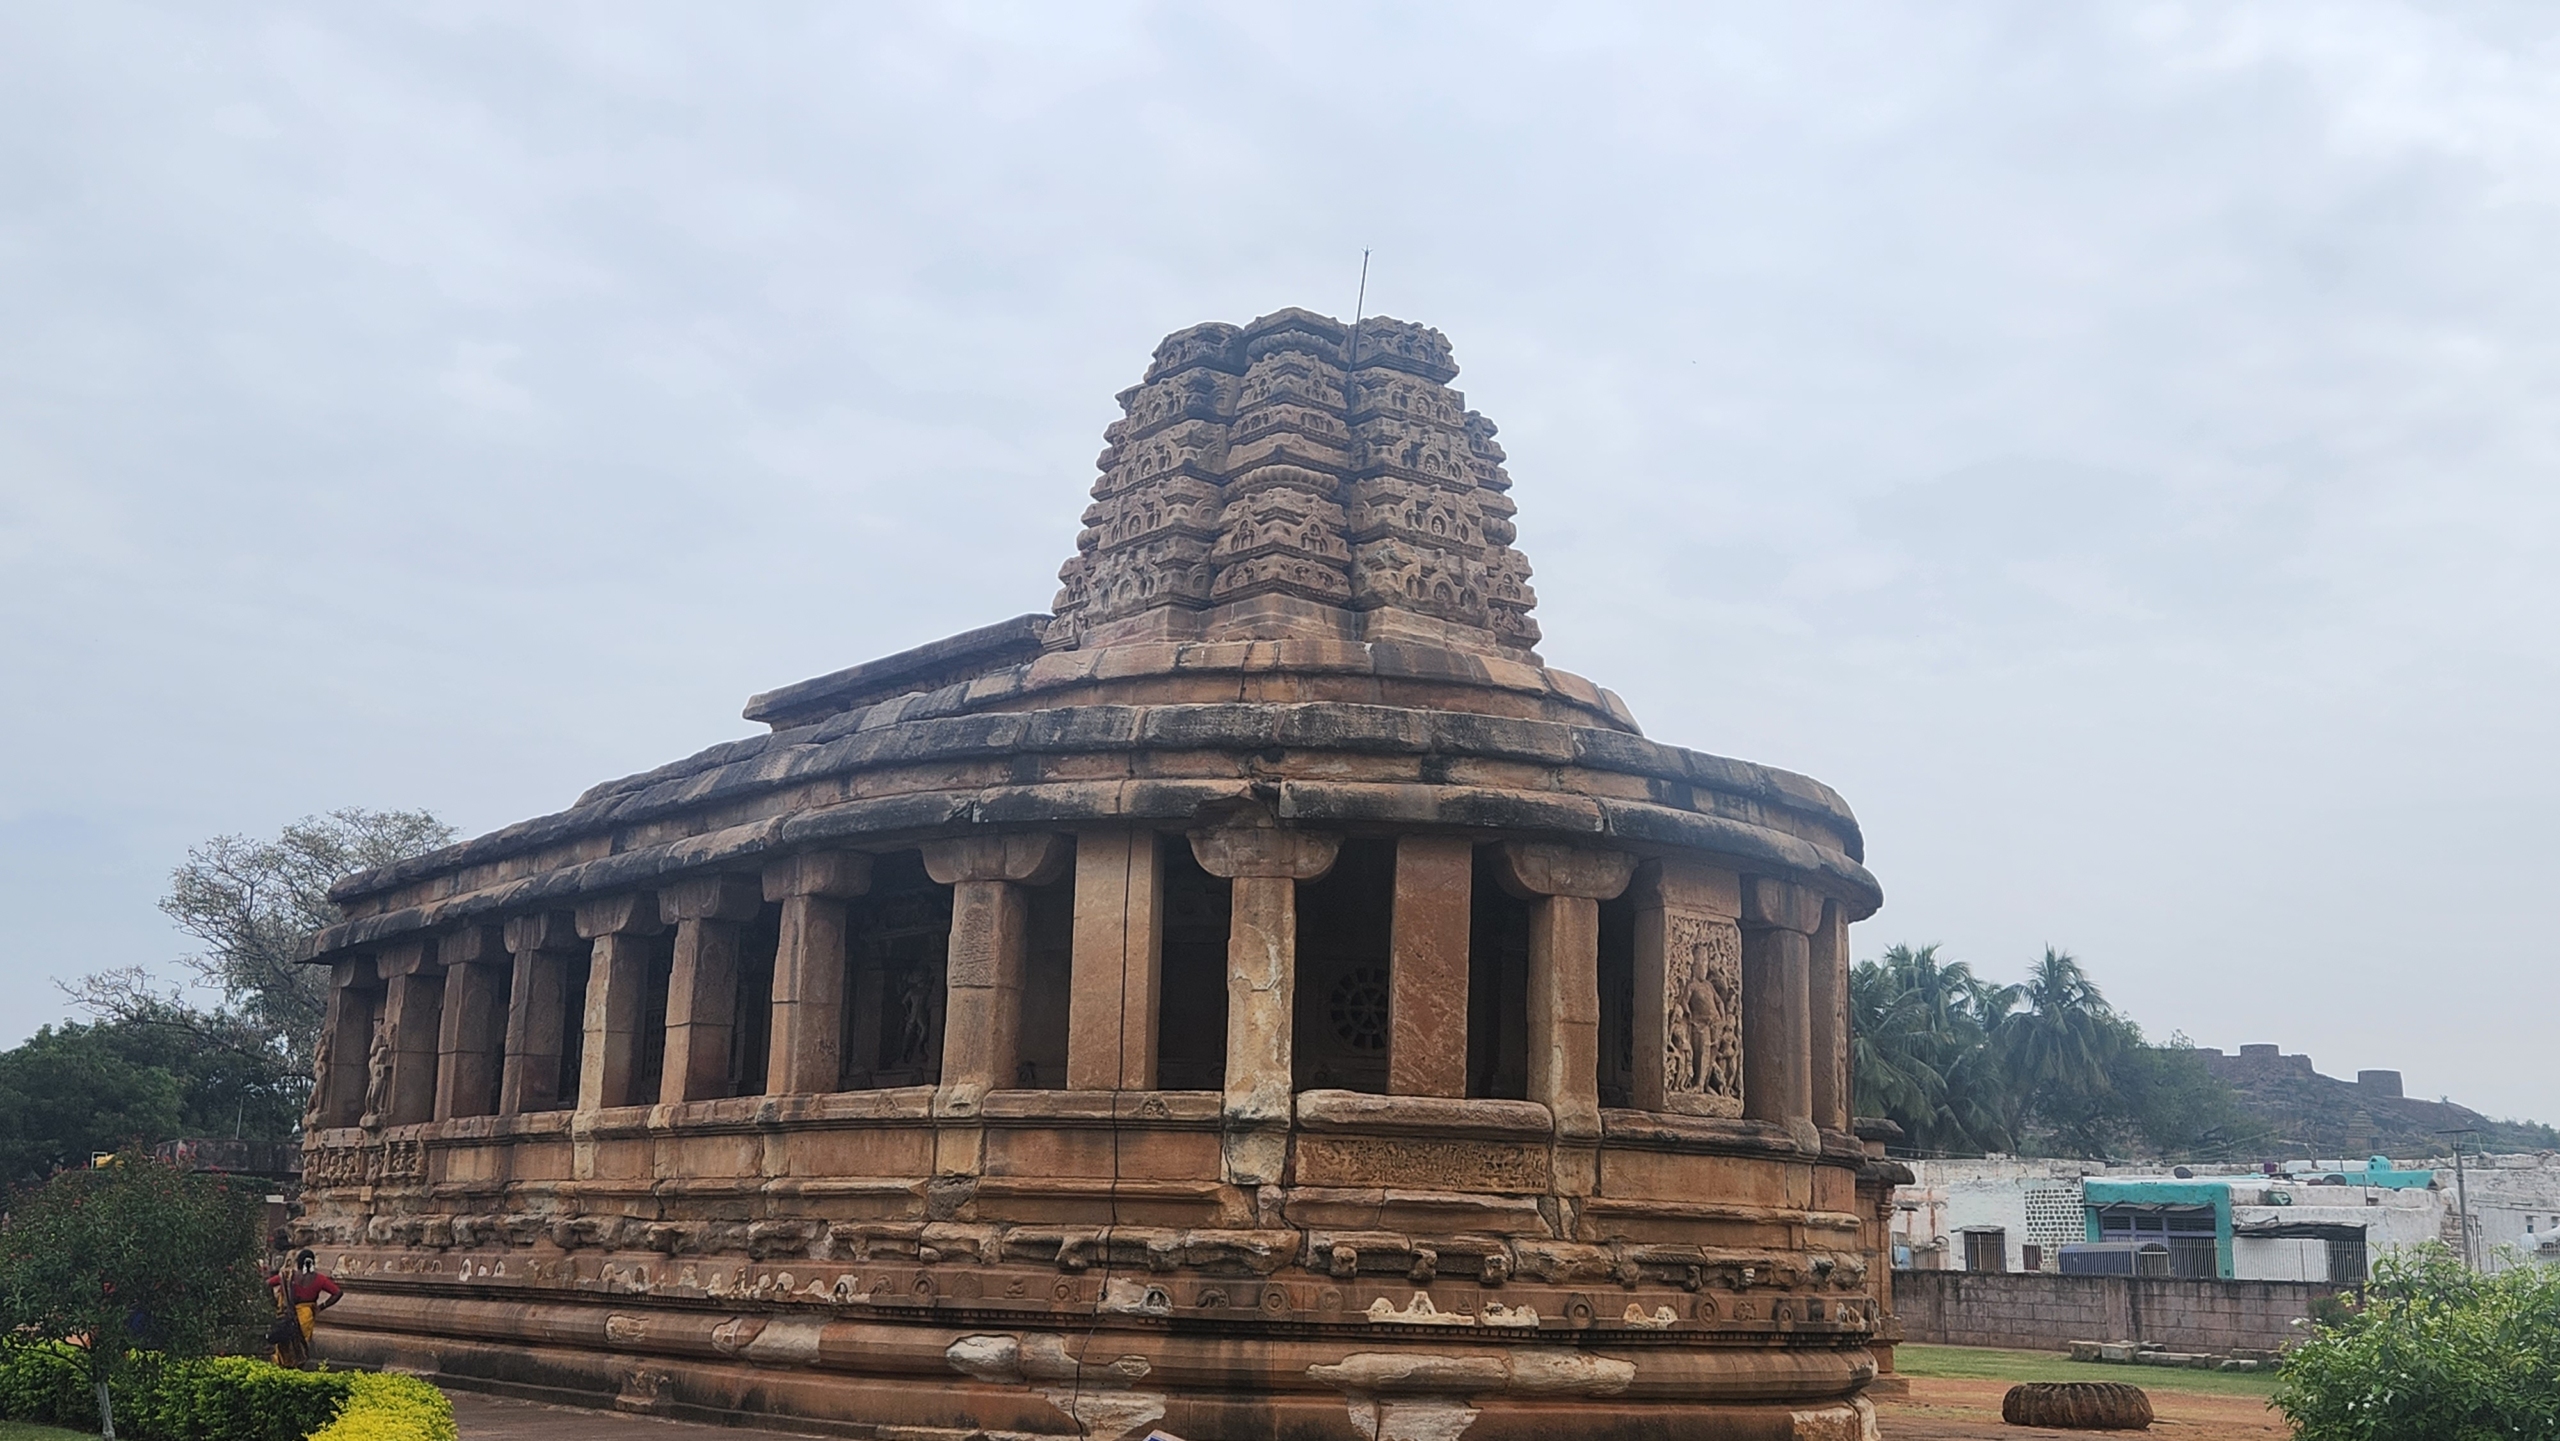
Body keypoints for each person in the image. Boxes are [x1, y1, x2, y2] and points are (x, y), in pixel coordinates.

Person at [263, 1249, 342, 1367]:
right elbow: (338, 1292)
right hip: (306, 1317)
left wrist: (273, 1302)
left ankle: (282, 1371)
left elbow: (267, 1284)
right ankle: (297, 1370)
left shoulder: (288, 1276)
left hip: (285, 1315)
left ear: (298, 1262)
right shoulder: (320, 1279)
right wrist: (321, 1307)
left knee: (284, 1345)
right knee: (300, 1348)